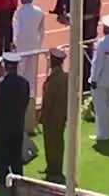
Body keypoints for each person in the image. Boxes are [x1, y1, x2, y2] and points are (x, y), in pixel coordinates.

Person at [0, 52, 31, 190]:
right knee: (16, 156)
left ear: (6, 66)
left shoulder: (2, 84)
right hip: (17, 125)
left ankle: (3, 181)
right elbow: (25, 102)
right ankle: (18, 181)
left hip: (3, 127)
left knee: (0, 155)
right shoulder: (24, 83)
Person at [39, 47, 68, 182]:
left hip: (52, 117)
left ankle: (54, 168)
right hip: (61, 115)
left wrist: (41, 115)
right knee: (58, 142)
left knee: (51, 143)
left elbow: (48, 100)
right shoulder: (65, 77)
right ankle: (54, 166)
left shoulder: (55, 79)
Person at [13, 0, 46, 99]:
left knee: (20, 69)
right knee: (32, 72)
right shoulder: (39, 11)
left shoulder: (19, 12)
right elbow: (42, 31)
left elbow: (17, 28)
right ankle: (31, 94)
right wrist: (39, 45)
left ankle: (20, 94)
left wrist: (14, 42)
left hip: (22, 44)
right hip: (34, 45)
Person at [80, 0, 102, 90]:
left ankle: (85, 82)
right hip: (90, 32)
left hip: (85, 32)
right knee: (88, 57)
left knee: (85, 58)